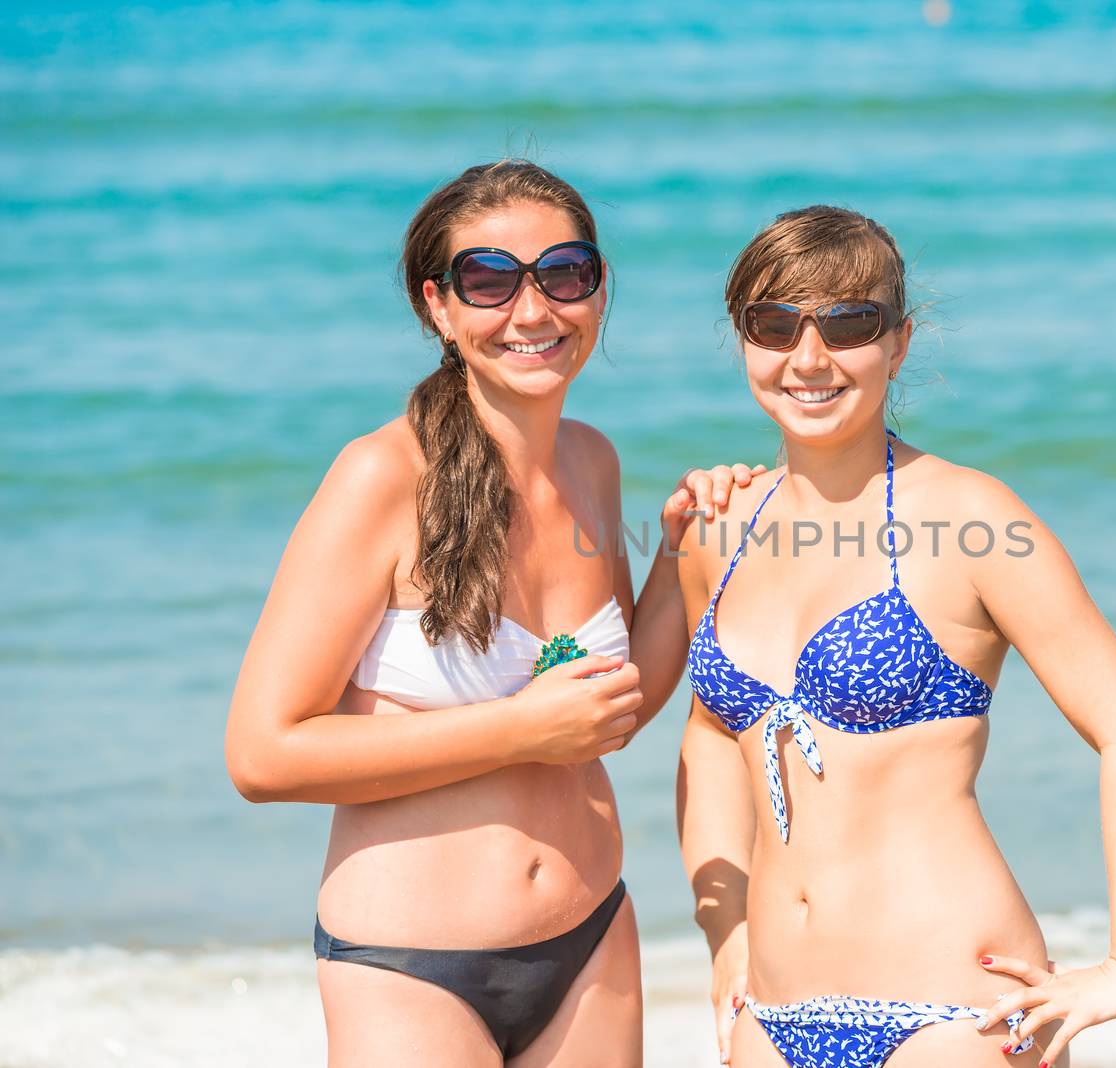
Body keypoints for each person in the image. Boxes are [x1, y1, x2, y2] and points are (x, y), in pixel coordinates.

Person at [224, 159, 761, 1067]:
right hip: (413, 969)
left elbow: (606, 715)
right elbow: (262, 754)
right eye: (488, 280)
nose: (532, 309)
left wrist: (682, 550)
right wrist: (516, 729)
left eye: (565, 273)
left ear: (596, 290)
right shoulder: (381, 478)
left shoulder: (591, 461)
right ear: (438, 305)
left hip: (592, 939)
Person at [676, 206, 1116, 1068]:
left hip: (952, 1013)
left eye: (848, 324)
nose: (808, 358)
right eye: (774, 325)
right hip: (774, 1014)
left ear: (898, 343)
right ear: (743, 341)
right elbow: (715, 734)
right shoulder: (714, 530)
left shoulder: (974, 520)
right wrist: (726, 931)